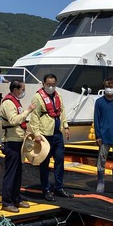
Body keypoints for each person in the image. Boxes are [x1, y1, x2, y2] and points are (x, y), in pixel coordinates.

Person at [29, 73, 74, 201]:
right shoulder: (38, 97)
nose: (51, 87)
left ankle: (59, 187)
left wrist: (65, 126)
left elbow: (62, 111)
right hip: (44, 135)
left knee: (59, 161)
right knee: (45, 163)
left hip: (57, 134)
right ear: (43, 84)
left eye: (53, 84)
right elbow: (34, 117)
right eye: (48, 84)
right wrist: (36, 134)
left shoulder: (58, 95)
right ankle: (46, 189)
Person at [0, 81, 36, 212]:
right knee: (11, 172)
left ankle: (15, 197)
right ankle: (6, 201)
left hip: (19, 140)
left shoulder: (15, 101)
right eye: (22, 89)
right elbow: (14, 120)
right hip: (12, 141)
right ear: (15, 89)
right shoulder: (8, 103)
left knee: (18, 173)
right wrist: (28, 111)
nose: (23, 92)